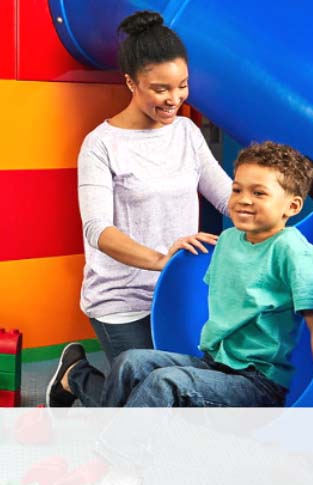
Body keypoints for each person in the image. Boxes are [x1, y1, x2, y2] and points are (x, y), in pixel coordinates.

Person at [49, 141, 313, 408]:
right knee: (129, 363)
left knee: (165, 383)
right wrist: (173, 257)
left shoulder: (294, 252)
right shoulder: (229, 240)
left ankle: (109, 456)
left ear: (292, 206)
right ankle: (113, 442)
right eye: (236, 190)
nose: (243, 200)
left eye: (259, 193)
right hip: (214, 363)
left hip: (259, 382)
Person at [77, 10, 233, 365]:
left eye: (182, 86)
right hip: (122, 299)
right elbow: (98, 231)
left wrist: (271, 212)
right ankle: (77, 376)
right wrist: (164, 262)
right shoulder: (101, 145)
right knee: (144, 396)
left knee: (179, 389)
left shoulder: (186, 133)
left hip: (178, 291)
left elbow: (226, 197)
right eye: (160, 89)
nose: (174, 98)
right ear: (131, 83)